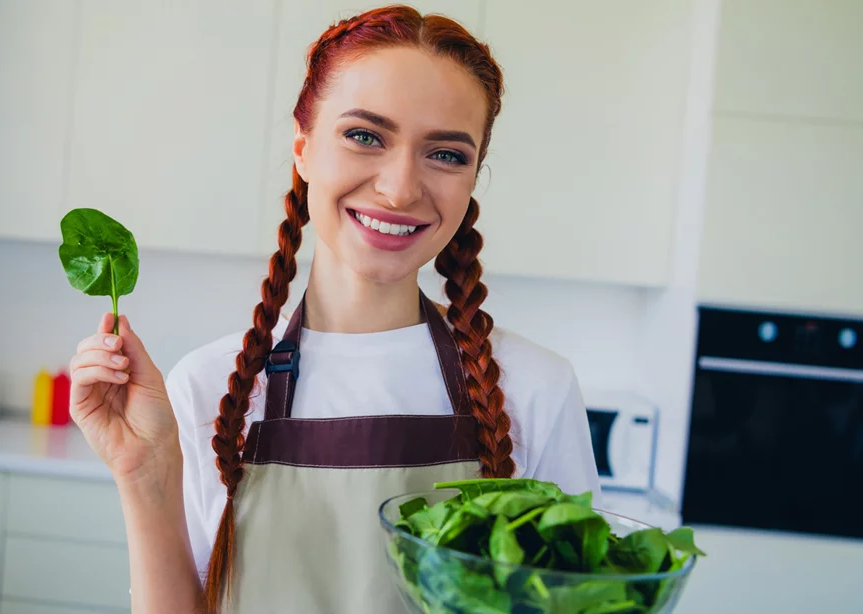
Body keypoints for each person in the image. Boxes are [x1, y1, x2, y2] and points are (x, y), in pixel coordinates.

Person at [67, 5, 600, 613]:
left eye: (447, 154)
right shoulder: (206, 387)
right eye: (365, 136)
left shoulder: (535, 389)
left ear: (473, 175)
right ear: (303, 149)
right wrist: (142, 473)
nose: (400, 188)